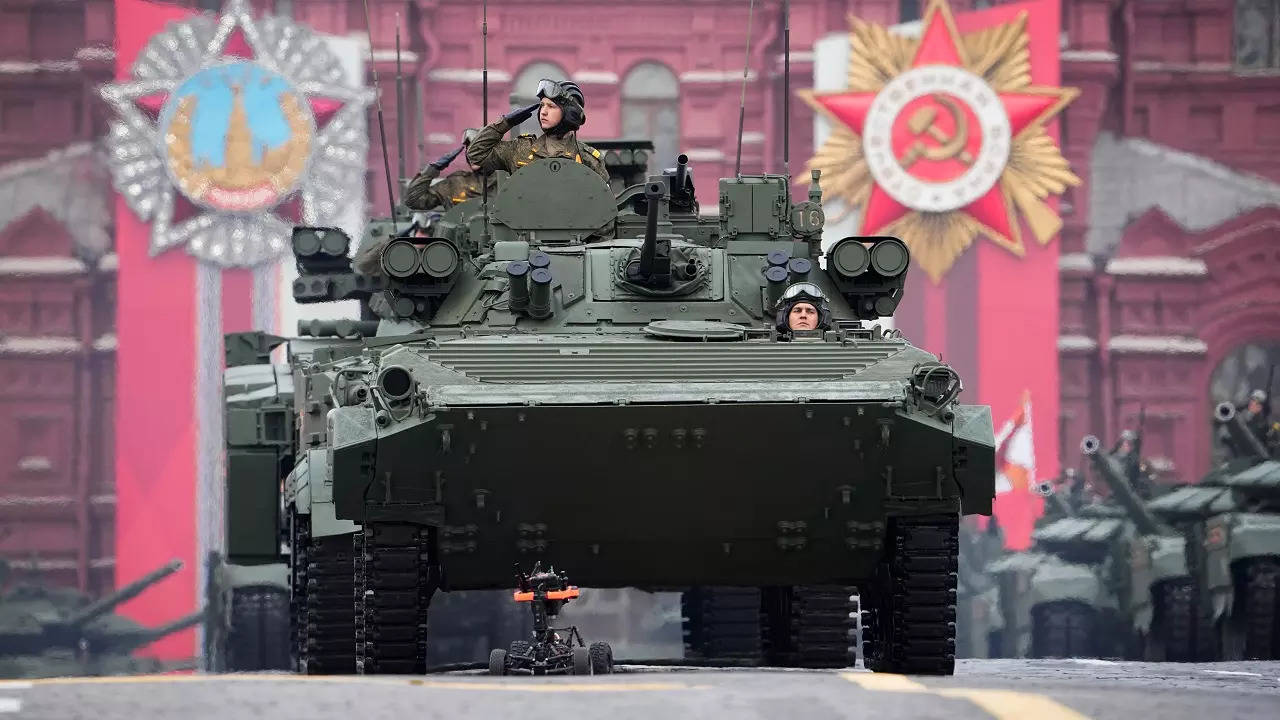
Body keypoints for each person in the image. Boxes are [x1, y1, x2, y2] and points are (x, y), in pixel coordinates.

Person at [353, 129, 490, 277]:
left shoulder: (510, 180)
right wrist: (431, 170)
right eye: (470, 149)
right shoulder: (457, 183)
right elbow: (414, 200)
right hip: (457, 256)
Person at [465, 79, 609, 184]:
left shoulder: (587, 159)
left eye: (551, 106)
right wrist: (505, 123)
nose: (543, 112)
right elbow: (476, 153)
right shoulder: (520, 149)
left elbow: (604, 207)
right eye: (542, 105)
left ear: (570, 114)